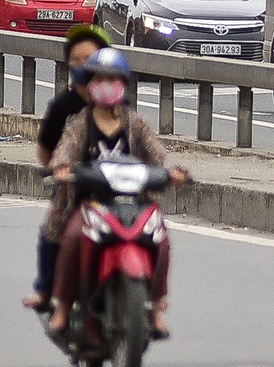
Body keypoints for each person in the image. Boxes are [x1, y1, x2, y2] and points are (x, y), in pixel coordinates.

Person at [44, 48, 189, 337]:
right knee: (72, 236)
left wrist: (171, 173)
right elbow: (63, 154)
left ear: (123, 85)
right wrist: (61, 169)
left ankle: (156, 306)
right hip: (92, 204)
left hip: (134, 203)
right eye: (100, 79)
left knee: (161, 241)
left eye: (113, 80)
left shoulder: (135, 123)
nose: (106, 85)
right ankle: (62, 308)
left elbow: (158, 156)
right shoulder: (80, 124)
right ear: (89, 84)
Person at [22, 24, 111, 312]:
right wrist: (58, 170)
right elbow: (46, 148)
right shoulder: (64, 107)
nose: (84, 65)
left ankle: (151, 300)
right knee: (55, 226)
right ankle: (48, 290)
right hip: (75, 188)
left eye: (90, 58)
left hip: (115, 186)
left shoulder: (119, 106)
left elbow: (143, 145)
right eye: (76, 59)